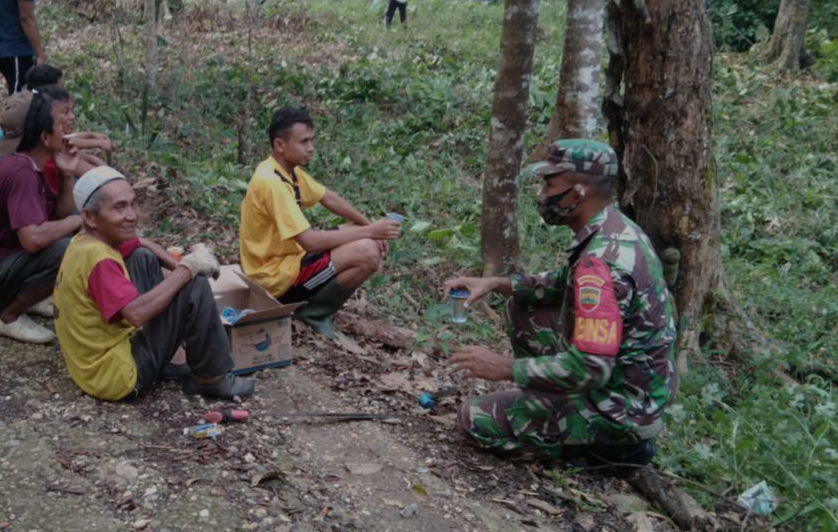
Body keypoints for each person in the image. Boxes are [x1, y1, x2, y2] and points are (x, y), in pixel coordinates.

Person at [441, 139, 677, 471]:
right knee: (523, 306)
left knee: (473, 417)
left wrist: (505, 367)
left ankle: (606, 450)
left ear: (579, 192)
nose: (543, 195)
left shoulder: (603, 265)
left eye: (551, 183)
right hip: (628, 387)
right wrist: (495, 284)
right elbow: (557, 283)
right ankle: (553, 405)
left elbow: (592, 367)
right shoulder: (613, 229)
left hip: (622, 410)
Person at [54, 166, 255, 401]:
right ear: (89, 216)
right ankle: (210, 379)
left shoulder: (84, 241)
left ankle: (170, 358)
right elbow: (136, 315)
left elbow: (142, 244)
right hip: (115, 376)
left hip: (93, 366)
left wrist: (175, 264)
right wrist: (187, 269)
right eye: (119, 207)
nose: (132, 215)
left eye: (133, 203)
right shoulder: (100, 259)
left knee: (143, 258)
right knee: (195, 285)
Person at [239, 106, 400, 340]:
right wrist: (369, 232)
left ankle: (314, 306)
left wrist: (369, 227)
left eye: (312, 141)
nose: (311, 148)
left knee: (361, 234)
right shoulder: (271, 182)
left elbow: (326, 196)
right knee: (367, 251)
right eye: (304, 142)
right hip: (274, 279)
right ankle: (314, 313)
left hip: (289, 259)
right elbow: (310, 241)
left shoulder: (284, 171)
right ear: (279, 145)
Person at [0, 96, 81, 344]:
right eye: (59, 122)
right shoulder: (20, 172)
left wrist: (67, 175)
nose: (67, 127)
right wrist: (82, 222)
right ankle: (8, 315)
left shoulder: (30, 165)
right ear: (44, 137)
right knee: (70, 246)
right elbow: (33, 240)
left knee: (66, 234)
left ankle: (27, 300)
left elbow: (61, 214)